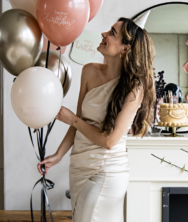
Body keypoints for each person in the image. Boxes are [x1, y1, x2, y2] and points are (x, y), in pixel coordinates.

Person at [37, 17, 155, 222]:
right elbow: (81, 120)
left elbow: (109, 142)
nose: (103, 34)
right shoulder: (89, 71)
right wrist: (59, 155)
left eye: (112, 33)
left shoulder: (135, 88)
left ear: (125, 49)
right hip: (79, 166)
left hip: (106, 171)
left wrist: (72, 120)